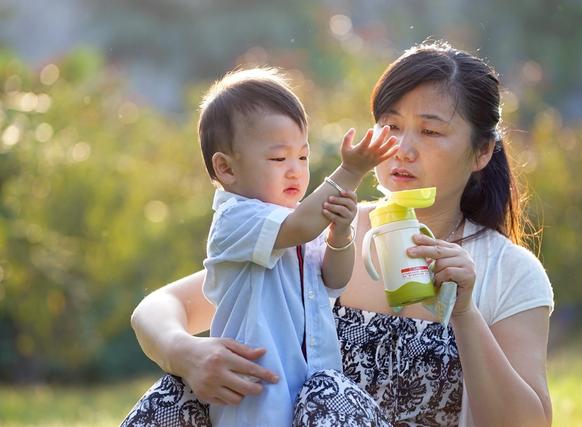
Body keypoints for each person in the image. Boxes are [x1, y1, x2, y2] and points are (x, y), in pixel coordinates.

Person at [123, 41, 554, 427]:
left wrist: (464, 312)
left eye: (430, 131)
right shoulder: (322, 233)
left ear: (481, 152)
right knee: (177, 394)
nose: (401, 148)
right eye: (390, 125)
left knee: (326, 395)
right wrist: (187, 355)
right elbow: (160, 307)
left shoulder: (510, 271)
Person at [122, 67, 398, 426]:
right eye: (278, 158)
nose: (295, 171)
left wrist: (341, 237)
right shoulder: (237, 218)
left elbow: (334, 280)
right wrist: (350, 172)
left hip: (306, 395)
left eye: (302, 157)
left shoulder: (297, 219)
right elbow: (299, 227)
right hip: (255, 397)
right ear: (227, 169)